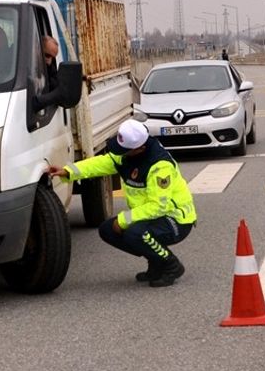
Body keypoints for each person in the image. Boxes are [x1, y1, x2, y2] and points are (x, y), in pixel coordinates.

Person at [46, 120, 197, 287]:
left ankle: (171, 265)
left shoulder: (159, 167)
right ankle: (156, 261)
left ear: (140, 148)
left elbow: (158, 206)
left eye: (125, 151)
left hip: (176, 219)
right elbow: (101, 163)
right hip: (150, 216)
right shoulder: (128, 154)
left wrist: (123, 220)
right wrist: (68, 171)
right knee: (107, 230)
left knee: (134, 233)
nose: (120, 154)